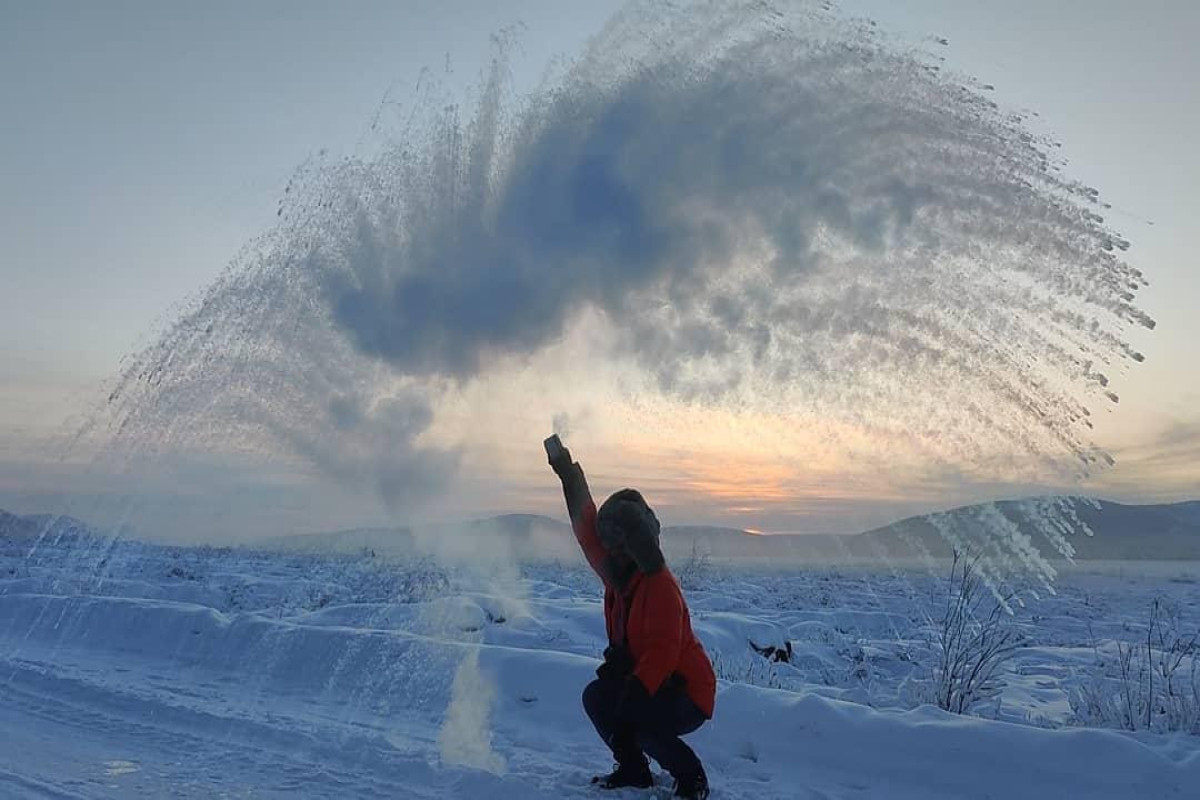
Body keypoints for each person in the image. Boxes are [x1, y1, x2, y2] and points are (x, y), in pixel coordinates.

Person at [547, 436, 715, 799]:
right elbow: (587, 530)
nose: (610, 551)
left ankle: (692, 778)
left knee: (640, 723)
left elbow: (664, 652)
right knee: (597, 697)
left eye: (620, 545)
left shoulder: (660, 587)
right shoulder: (618, 574)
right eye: (609, 545)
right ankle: (634, 770)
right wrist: (568, 474)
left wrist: (633, 698)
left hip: (687, 689)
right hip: (652, 681)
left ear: (638, 545)